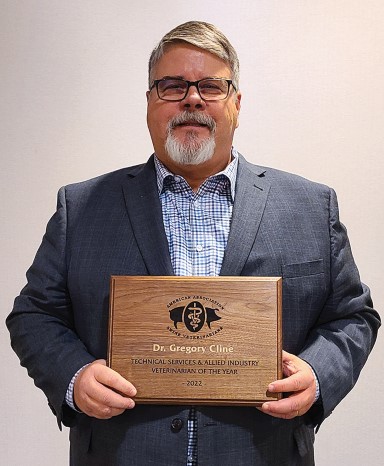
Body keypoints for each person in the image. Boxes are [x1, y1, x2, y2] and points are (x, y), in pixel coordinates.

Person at [6, 20, 380, 466]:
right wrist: (73, 375)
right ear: (149, 102)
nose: (192, 99)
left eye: (210, 86)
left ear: (237, 104)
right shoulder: (81, 206)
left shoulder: (310, 206)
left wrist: (319, 374)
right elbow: (34, 314)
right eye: (172, 86)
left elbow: (353, 317)